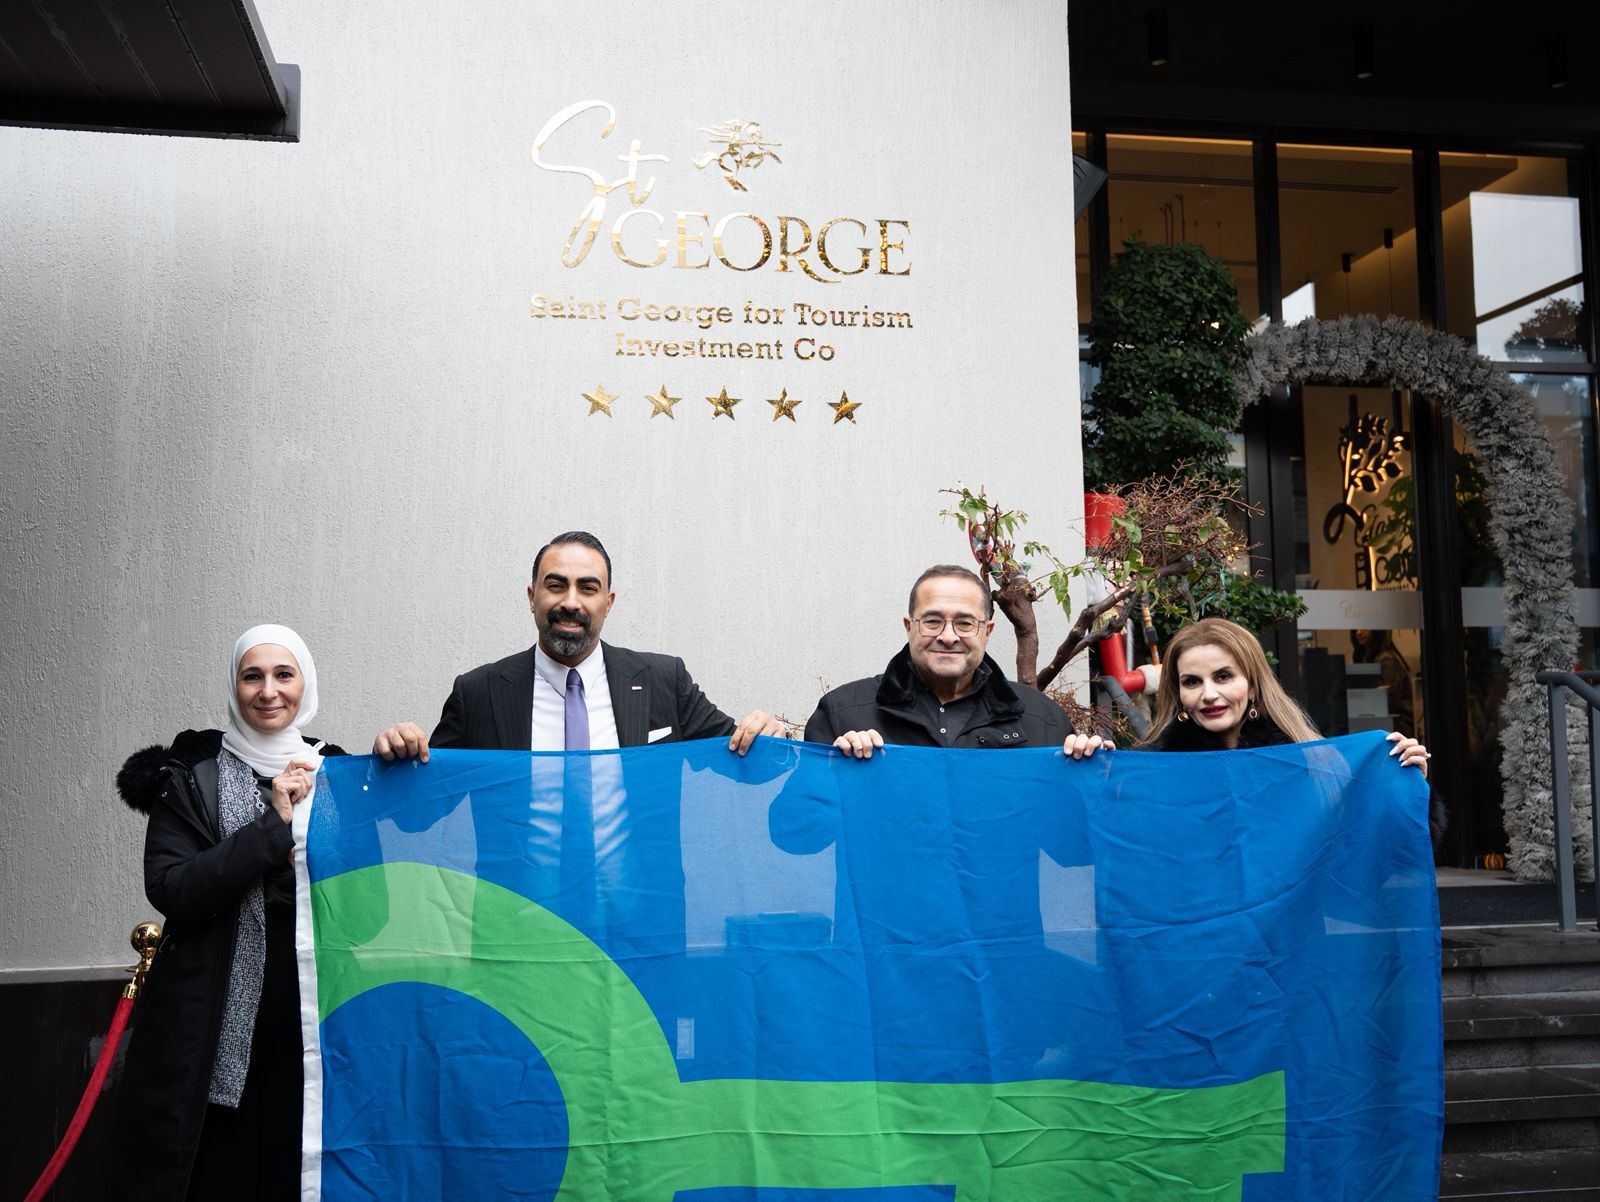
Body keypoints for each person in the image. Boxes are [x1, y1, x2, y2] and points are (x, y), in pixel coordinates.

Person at [112, 625, 343, 1202]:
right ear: (234, 686)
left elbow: (373, 903)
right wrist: (273, 826)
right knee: (220, 1167)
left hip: (309, 1006)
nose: (268, 691)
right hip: (211, 1014)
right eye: (252, 676)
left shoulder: (336, 775)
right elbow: (173, 887)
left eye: (284, 675)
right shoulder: (193, 777)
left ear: (306, 684)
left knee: (298, 1162)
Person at [374, 530, 783, 759]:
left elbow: (744, 755)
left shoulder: (664, 681)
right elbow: (425, 806)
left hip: (638, 889)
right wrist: (394, 757)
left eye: (588, 588)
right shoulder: (477, 693)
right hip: (517, 890)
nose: (571, 602)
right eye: (556, 585)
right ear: (532, 596)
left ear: (608, 603)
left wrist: (771, 735)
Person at [1063, 619, 1436, 835]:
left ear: (1253, 684)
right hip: (1188, 943)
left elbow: (1377, 850)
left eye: (1224, 676)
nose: (1209, 694)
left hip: (1288, 944)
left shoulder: (1312, 765)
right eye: (1192, 682)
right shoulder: (1151, 771)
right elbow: (1093, 848)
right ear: (1179, 693)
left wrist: (1408, 789)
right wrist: (1086, 780)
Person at [806, 564, 1073, 755]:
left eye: (965, 623)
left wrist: (1091, 768)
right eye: (932, 621)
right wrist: (834, 766)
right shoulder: (842, 715)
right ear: (909, 627)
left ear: (987, 631)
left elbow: (1069, 812)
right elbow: (803, 813)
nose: (947, 636)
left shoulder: (1045, 721)